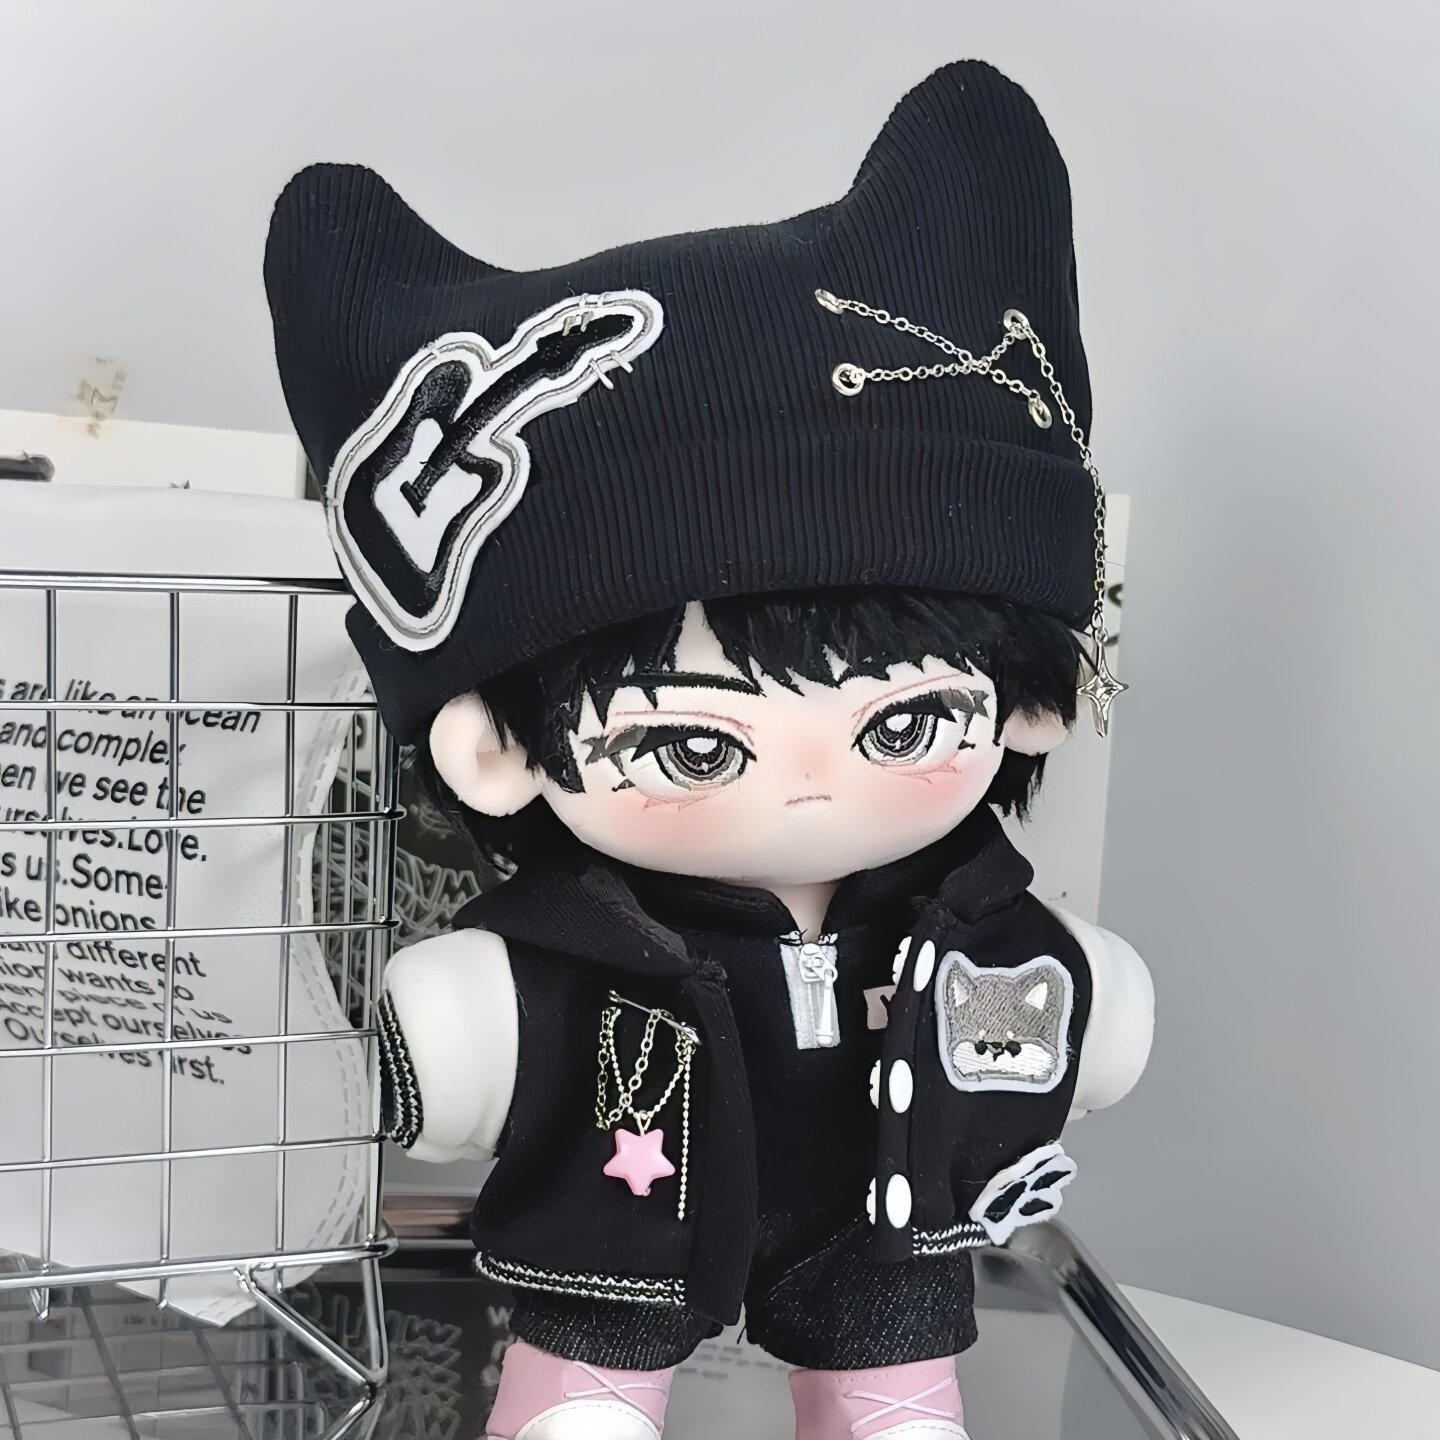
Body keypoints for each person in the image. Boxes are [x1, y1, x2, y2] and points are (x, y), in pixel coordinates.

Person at [266, 58, 1154, 1440]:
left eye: (905, 723)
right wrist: (453, 1035)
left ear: (1029, 703)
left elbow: (1067, 1004)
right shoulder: (590, 944)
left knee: (895, 1402)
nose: (809, 787)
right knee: (585, 1405)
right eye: (689, 749)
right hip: (613, 1247)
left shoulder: (971, 917)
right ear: (500, 749)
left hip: (881, 1244)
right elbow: (485, 1022)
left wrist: (1097, 1005)